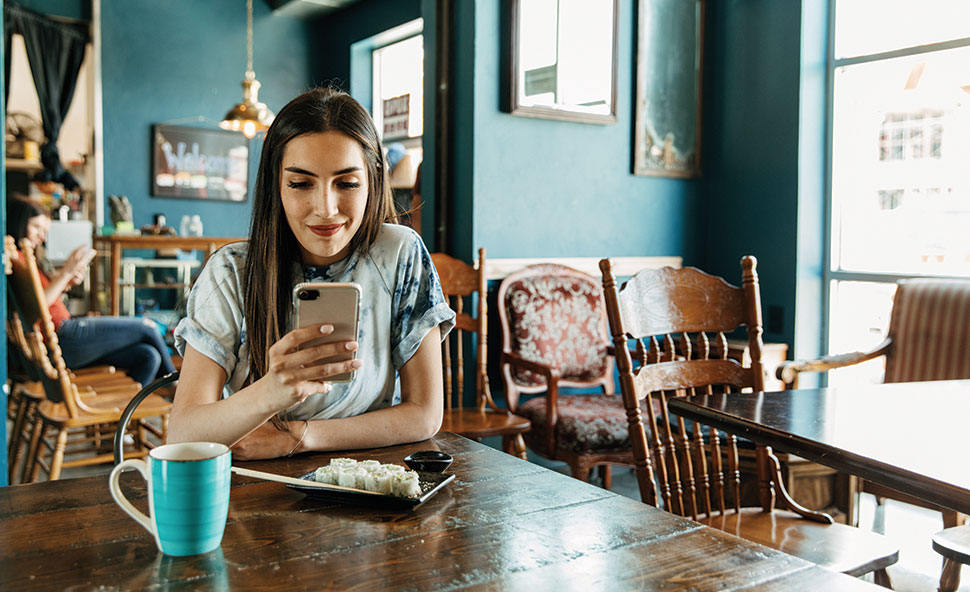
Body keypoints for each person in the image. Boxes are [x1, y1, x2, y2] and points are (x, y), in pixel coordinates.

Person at [169, 87, 455, 460]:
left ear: (372, 181)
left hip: (369, 480)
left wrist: (300, 436)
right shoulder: (232, 271)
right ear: (276, 186)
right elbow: (182, 434)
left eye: (347, 183)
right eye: (301, 183)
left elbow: (425, 414)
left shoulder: (399, 252)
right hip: (255, 487)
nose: (326, 208)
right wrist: (271, 391)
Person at [5, 195, 177, 387]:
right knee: (147, 327)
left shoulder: (23, 260)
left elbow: (43, 301)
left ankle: (124, 415)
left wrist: (67, 281)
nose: (42, 237)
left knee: (148, 355)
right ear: (17, 222)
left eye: (45, 231)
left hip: (62, 334)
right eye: (37, 227)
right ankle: (179, 390)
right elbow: (35, 308)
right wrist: (66, 272)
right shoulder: (19, 260)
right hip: (62, 337)